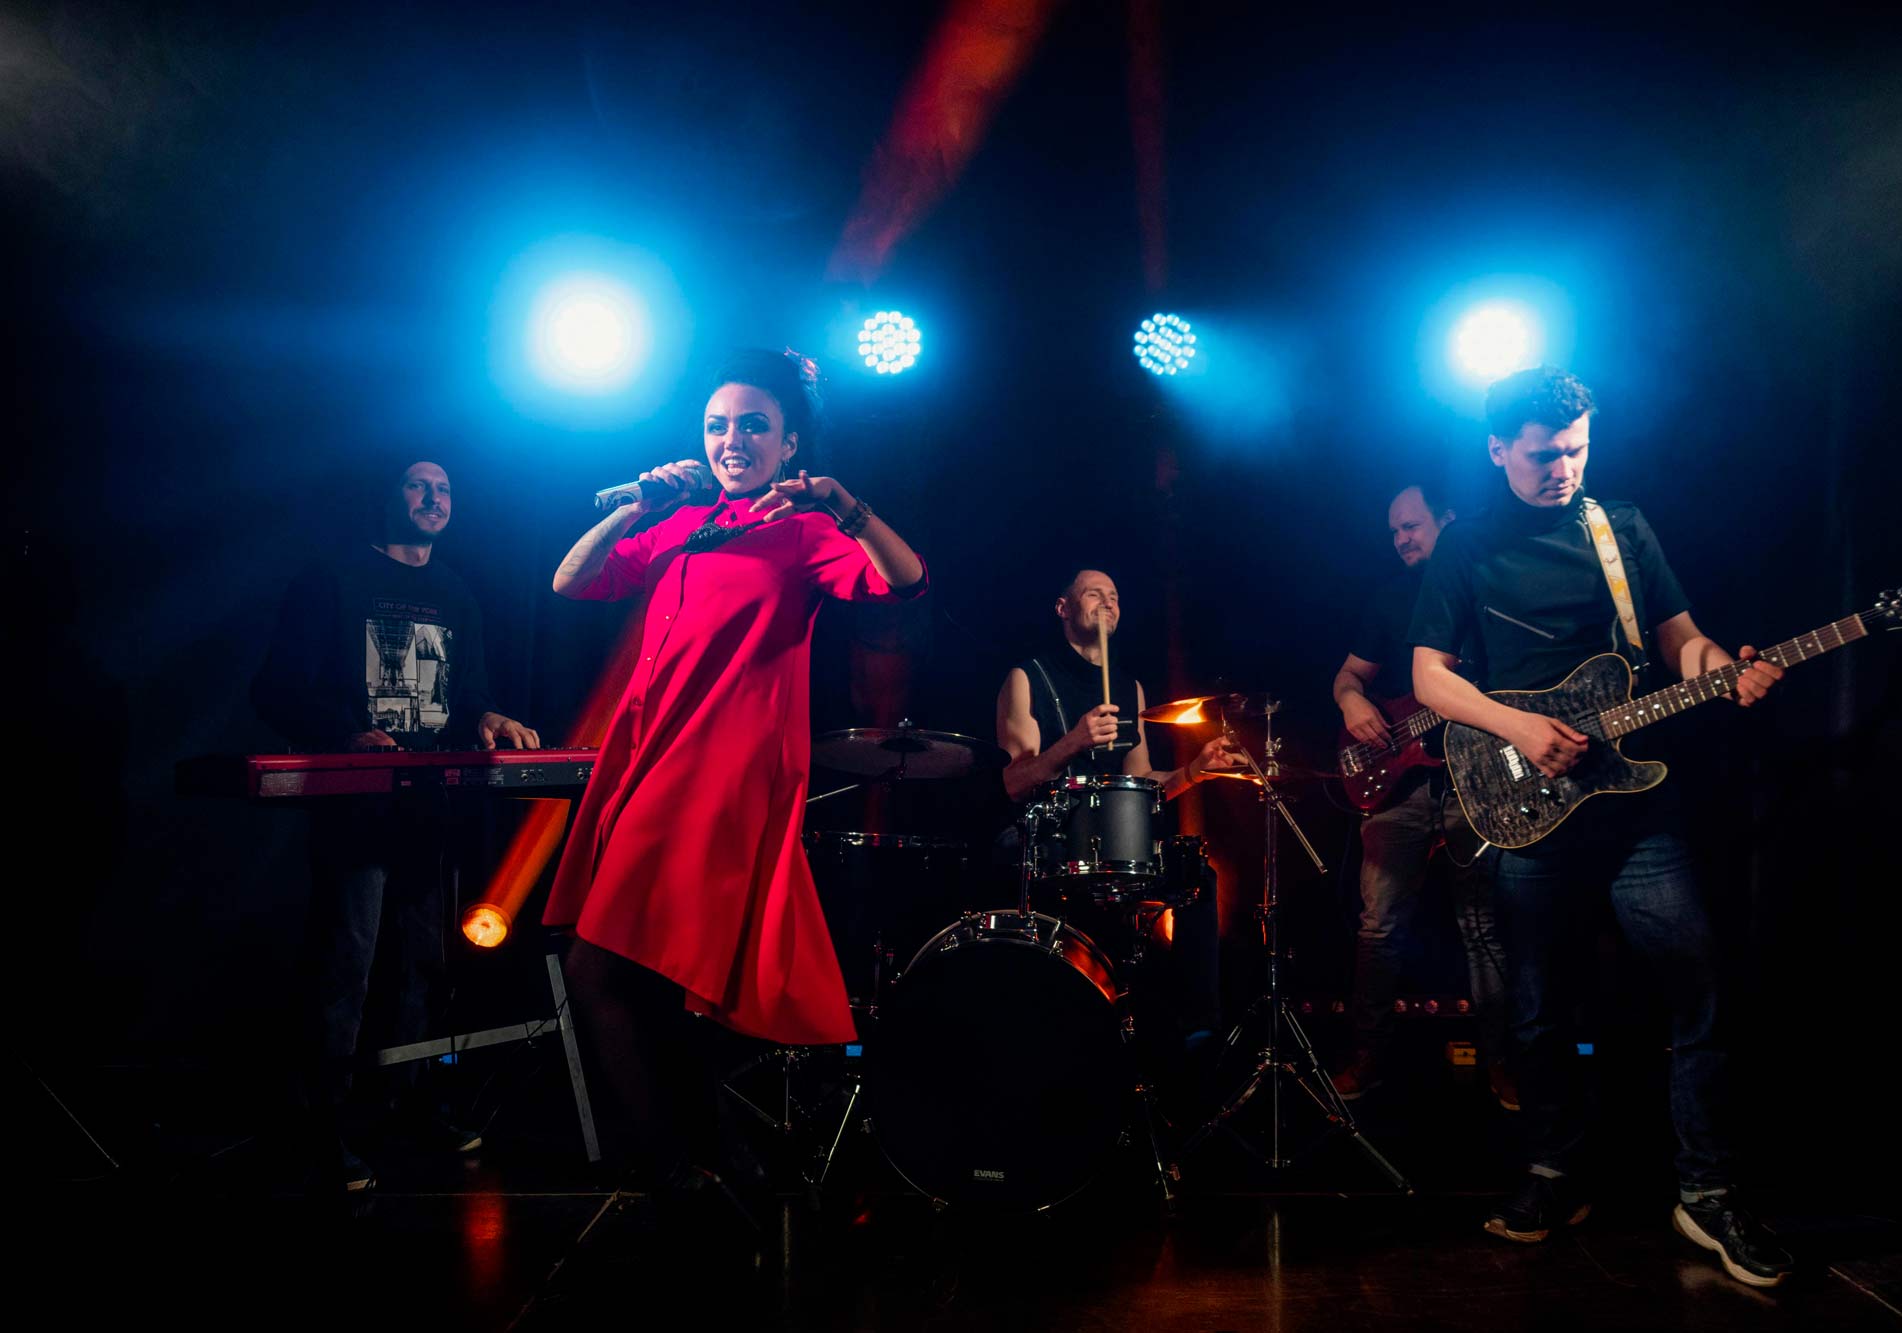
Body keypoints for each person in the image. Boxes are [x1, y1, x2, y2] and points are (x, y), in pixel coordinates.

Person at [1407, 365, 1794, 1287]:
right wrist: (1518, 727)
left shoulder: (1621, 527)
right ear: (1498, 450)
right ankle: (1554, 1171)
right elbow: (1429, 676)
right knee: (1538, 1007)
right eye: (1544, 455)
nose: (1565, 469)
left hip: (1637, 804)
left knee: (1697, 981)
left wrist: (1721, 666)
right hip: (1528, 805)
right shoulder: (1466, 547)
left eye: (1578, 449)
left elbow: (1680, 640)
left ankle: (1707, 1190)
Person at [543, 349, 926, 1197]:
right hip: (649, 758)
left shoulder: (806, 529)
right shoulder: (685, 521)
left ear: (790, 444)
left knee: (601, 965)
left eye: (754, 425)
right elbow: (571, 580)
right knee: (640, 969)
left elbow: (903, 580)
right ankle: (712, 1160)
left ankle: (678, 1167)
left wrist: (843, 503)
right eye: (717, 425)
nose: (731, 440)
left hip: (721, 774)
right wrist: (641, 504)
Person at [253, 460, 540, 1192]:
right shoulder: (332, 578)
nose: (434, 498)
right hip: (355, 807)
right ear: (387, 494)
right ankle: (320, 1123)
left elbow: (467, 692)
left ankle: (405, 1103)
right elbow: (276, 688)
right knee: (345, 962)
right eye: (419, 485)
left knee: (422, 964)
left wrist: (490, 714)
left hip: (427, 808)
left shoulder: (456, 592)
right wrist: (346, 735)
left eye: (445, 489)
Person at [994, 568, 1249, 1044]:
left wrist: (1195, 769)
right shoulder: (1028, 677)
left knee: (1196, 873)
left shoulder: (1129, 688)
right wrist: (1073, 742)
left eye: (1113, 595)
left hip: (1114, 841)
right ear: (1063, 608)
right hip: (1045, 842)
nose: (1107, 602)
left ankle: (1198, 1028)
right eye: (1094, 594)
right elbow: (1013, 783)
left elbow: (1143, 782)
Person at [1331, 485, 1512, 1109]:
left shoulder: (1488, 586)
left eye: (1411, 526)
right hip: (1401, 785)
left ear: (1448, 520)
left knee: (1484, 926)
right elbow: (1349, 674)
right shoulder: (1389, 597)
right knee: (1378, 926)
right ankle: (1366, 1060)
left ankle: (1504, 1064)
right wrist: (1352, 702)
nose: (1402, 539)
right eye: (1395, 531)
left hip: (1477, 778)